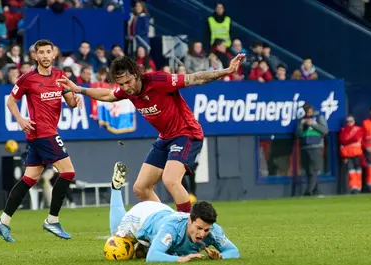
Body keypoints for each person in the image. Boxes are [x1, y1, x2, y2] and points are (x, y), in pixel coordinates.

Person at [57, 54, 245, 213]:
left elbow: (195, 78)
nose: (126, 87)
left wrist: (226, 71)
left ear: (137, 74)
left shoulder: (159, 80)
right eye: (121, 84)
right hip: (165, 138)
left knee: (170, 180)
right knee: (141, 188)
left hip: (186, 133)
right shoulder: (127, 91)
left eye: (128, 82)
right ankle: (167, 221)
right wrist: (78, 89)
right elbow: (107, 95)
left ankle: (186, 228)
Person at [0, 39, 84, 242]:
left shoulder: (60, 75)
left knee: (29, 178)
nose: (44, 56)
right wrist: (20, 119)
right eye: (40, 52)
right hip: (43, 132)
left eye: (48, 52)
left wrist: (74, 101)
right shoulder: (28, 79)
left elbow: (68, 100)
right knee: (68, 172)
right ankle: (52, 220)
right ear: (35, 56)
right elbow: (11, 101)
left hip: (43, 133)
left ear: (54, 54)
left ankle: (3, 220)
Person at [107, 162, 239, 262]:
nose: (202, 234)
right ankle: (116, 188)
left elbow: (233, 251)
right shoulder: (171, 230)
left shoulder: (213, 230)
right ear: (189, 220)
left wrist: (221, 257)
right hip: (143, 216)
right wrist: (180, 259)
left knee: (156, 249)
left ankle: (144, 246)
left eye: (206, 230)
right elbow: (153, 257)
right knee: (116, 238)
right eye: (198, 228)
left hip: (164, 213)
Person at [295, 103, 328, 196]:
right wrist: (301, 126)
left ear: (312, 110)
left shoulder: (319, 117)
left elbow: (325, 131)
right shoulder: (301, 120)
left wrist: (313, 124)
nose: (308, 113)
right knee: (308, 170)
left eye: (309, 111)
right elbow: (298, 134)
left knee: (314, 169)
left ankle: (308, 191)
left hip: (316, 146)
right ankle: (315, 191)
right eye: (306, 111)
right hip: (304, 147)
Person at [339, 115, 364, 194]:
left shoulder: (358, 129)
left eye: (351, 121)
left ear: (354, 121)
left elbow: (356, 138)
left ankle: (359, 187)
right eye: (348, 121)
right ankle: (353, 188)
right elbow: (342, 140)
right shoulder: (343, 130)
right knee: (351, 171)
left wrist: (347, 140)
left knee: (358, 171)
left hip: (357, 154)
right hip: (347, 155)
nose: (349, 123)